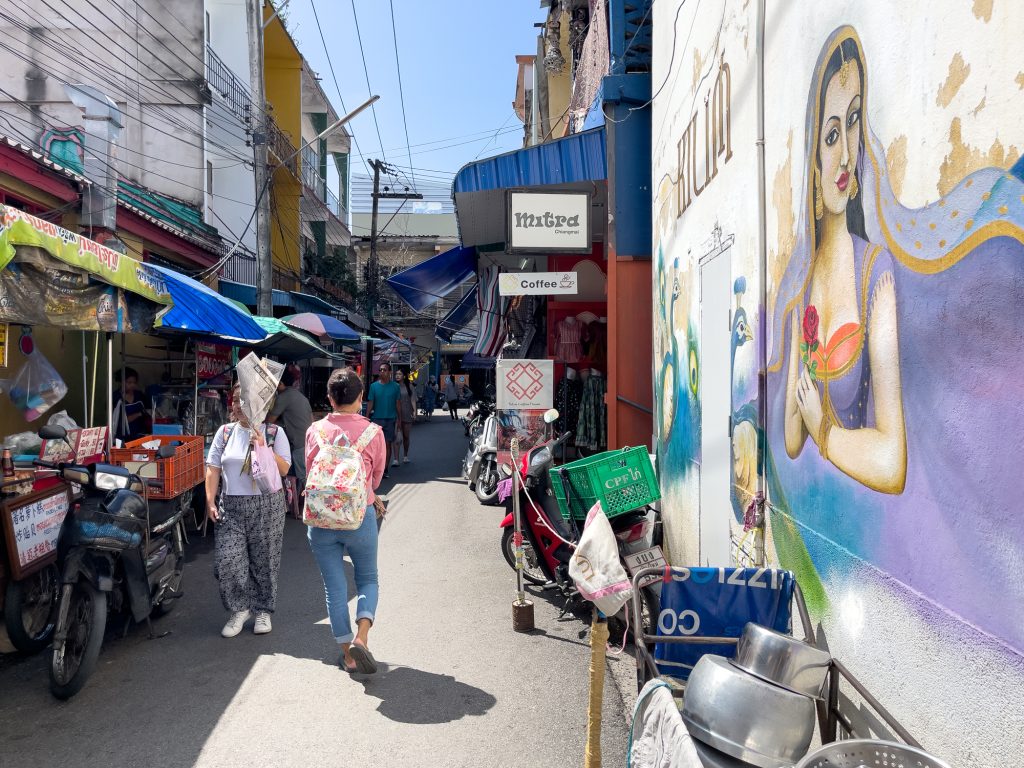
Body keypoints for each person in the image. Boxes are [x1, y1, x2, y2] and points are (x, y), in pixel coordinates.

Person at [305, 367, 386, 673]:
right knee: (368, 578)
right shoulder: (373, 433)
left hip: (321, 519)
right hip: (359, 517)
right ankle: (362, 638)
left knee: (334, 588)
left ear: (329, 398)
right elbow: (376, 477)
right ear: (361, 397)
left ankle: (348, 656)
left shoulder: (316, 431)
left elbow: (310, 469)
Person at [205, 383, 291, 638]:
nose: (239, 406)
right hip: (231, 506)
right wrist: (210, 501)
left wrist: (263, 445)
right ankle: (239, 609)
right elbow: (213, 468)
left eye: (246, 401)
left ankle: (263, 609)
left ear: (261, 405)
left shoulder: (275, 432)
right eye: (235, 400)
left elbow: (285, 469)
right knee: (228, 561)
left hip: (267, 505)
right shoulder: (225, 433)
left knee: (264, 561)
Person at [266, 366, 313, 485]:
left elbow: (269, 422)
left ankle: (302, 503)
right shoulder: (300, 396)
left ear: (280, 383)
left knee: (303, 481)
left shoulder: (284, 397)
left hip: (300, 445)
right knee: (307, 478)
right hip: (309, 442)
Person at [367, 363, 400, 476]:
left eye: (384, 370)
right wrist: (366, 417)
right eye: (380, 370)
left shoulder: (395, 386)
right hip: (376, 420)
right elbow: (371, 402)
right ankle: (376, 468)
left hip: (390, 420)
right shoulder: (373, 386)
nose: (382, 372)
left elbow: (398, 403)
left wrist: (399, 419)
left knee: (387, 445)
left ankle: (385, 469)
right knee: (375, 446)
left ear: (390, 372)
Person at [112, 367, 148, 442]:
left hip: (140, 436)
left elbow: (148, 411)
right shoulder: (116, 398)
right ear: (121, 382)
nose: (132, 385)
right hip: (122, 439)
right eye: (129, 382)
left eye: (134, 383)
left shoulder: (139, 395)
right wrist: (139, 414)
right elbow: (118, 421)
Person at [394, 369, 416, 464]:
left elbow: (413, 400)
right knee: (396, 437)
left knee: (406, 436)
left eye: (399, 374)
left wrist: (415, 412)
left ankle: (405, 456)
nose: (397, 375)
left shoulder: (409, 386)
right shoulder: (393, 386)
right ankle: (395, 459)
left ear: (404, 376)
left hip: (407, 413)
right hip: (395, 414)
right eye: (396, 374)